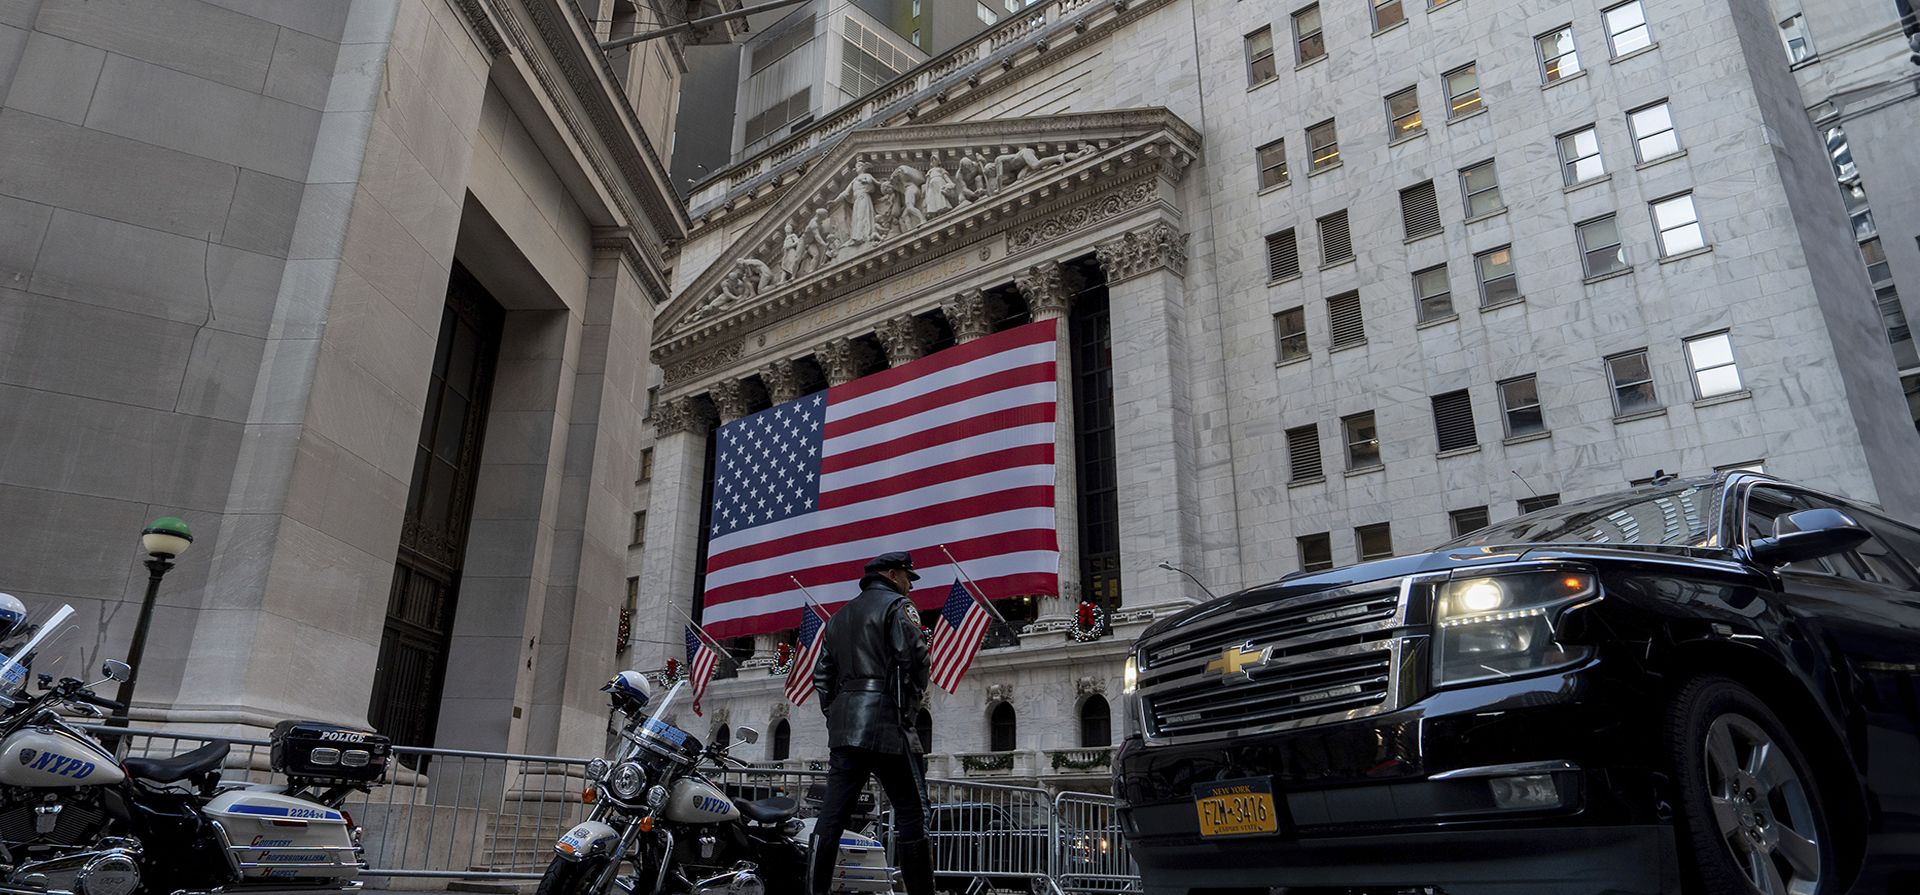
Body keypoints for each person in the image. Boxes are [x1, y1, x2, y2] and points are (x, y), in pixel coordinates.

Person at [809, 552, 934, 895]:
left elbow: (822, 677)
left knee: (831, 817)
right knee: (913, 813)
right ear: (892, 575)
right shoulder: (898, 606)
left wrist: (837, 714)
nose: (910, 585)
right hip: (887, 722)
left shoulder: (838, 617)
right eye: (908, 577)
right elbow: (915, 660)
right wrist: (908, 709)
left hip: (846, 728)